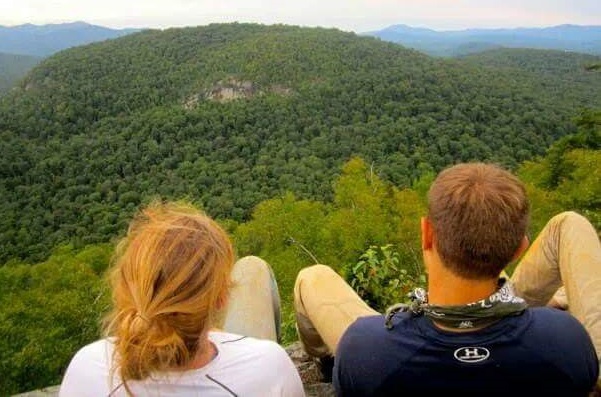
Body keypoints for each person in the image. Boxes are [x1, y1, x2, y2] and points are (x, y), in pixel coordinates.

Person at [294, 162, 600, 396]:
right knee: (569, 223)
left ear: (427, 233)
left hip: (396, 350)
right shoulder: (568, 342)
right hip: (519, 334)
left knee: (312, 277)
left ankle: (321, 360)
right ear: (520, 248)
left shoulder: (363, 350)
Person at [59, 201, 305, 396]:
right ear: (221, 299)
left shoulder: (88, 369)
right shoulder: (270, 370)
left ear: (127, 289)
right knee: (253, 269)